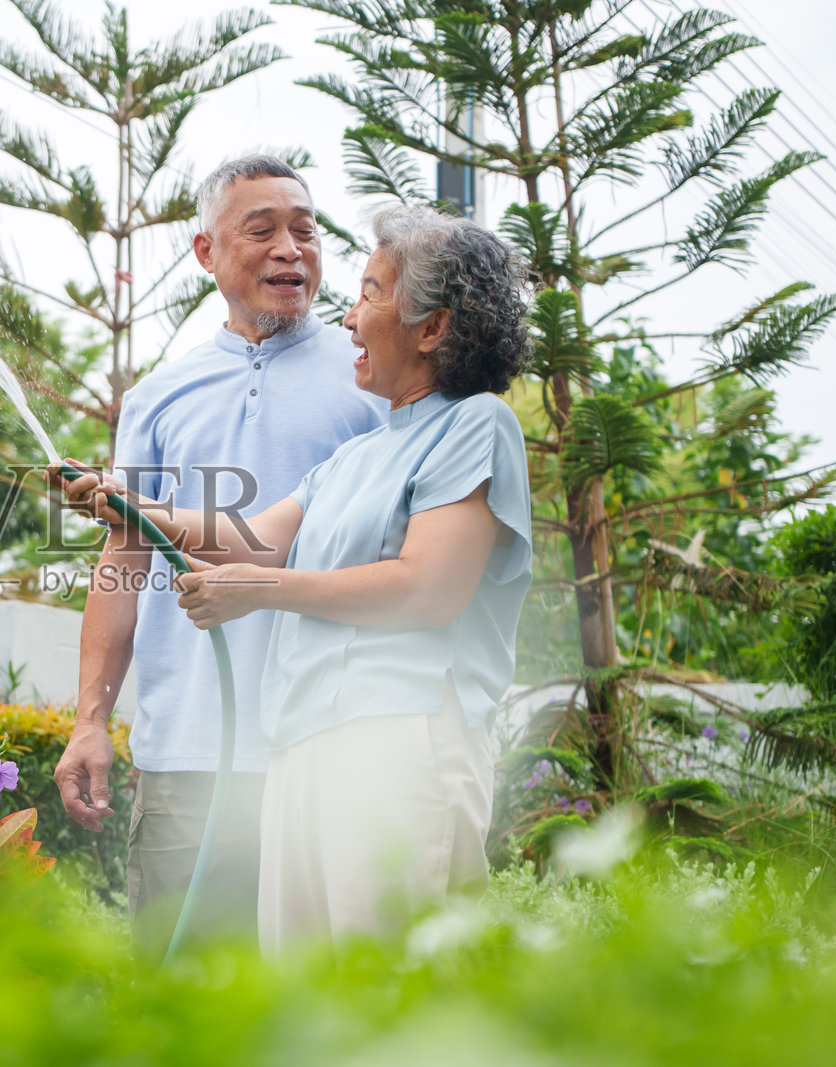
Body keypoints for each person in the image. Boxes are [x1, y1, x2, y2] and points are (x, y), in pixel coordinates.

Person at [53, 204, 533, 952]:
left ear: (432, 328)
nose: (347, 317)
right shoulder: (354, 458)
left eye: (371, 292)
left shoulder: (476, 425)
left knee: (390, 996)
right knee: (306, 1002)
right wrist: (129, 504)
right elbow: (256, 538)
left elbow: (426, 589)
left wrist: (259, 592)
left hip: (400, 744)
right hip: (304, 744)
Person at [51, 155, 387, 954]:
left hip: (328, 746)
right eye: (261, 230)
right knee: (184, 1007)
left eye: (304, 230)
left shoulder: (372, 378)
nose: (289, 250)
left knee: (322, 1011)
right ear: (206, 252)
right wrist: (89, 720)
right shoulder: (159, 396)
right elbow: (122, 559)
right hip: (187, 759)